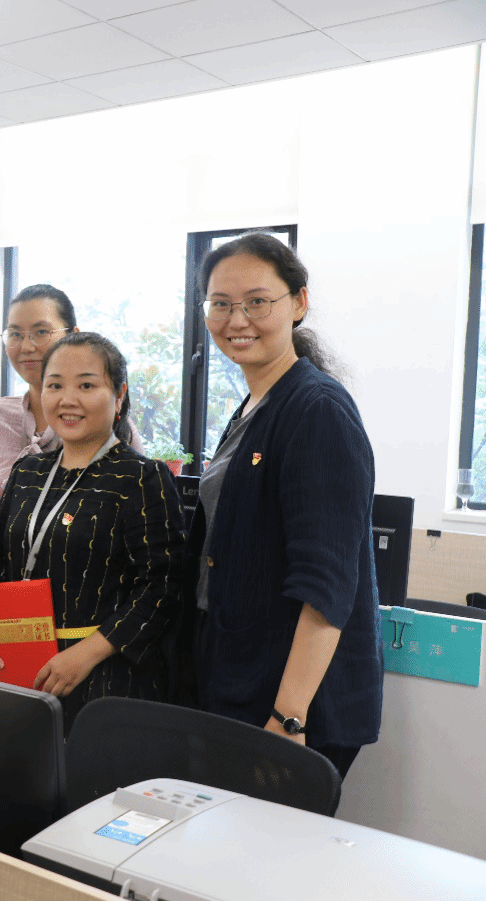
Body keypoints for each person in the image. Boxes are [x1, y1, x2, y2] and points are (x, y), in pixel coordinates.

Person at [192, 232, 381, 778]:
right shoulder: (255, 404)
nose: (237, 319)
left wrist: (289, 717)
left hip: (290, 704)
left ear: (298, 303)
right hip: (243, 677)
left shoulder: (316, 409)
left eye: (257, 301)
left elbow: (326, 584)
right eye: (221, 304)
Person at [0, 332, 185, 729]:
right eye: (55, 385)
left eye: (86, 386)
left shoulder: (141, 477)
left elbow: (162, 588)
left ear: (119, 395)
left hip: (105, 677)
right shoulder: (27, 472)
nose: (67, 400)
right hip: (22, 663)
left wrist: (85, 655)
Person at [0, 284, 144, 510]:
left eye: (41, 332)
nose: (26, 346)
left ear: (73, 336)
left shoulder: (106, 422)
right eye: (15, 334)